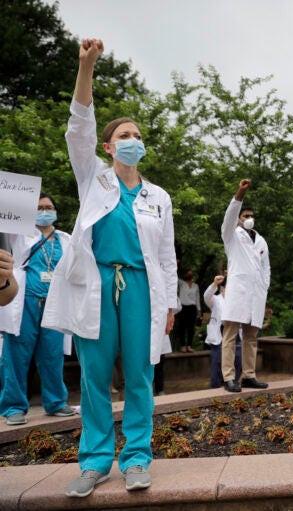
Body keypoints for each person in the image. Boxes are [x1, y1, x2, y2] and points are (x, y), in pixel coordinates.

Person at [41, 39, 177, 497]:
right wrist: (86, 67)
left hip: (141, 287)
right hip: (96, 282)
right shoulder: (93, 178)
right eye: (124, 136)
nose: (132, 141)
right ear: (108, 145)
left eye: (137, 136)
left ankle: (137, 457)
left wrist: (171, 302)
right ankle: (96, 460)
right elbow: (78, 128)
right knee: (95, 373)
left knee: (138, 373)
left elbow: (166, 256)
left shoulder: (159, 197)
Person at [0, 194, 74, 426]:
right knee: (17, 355)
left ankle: (56, 402)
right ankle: (13, 407)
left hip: (54, 304)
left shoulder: (65, 239)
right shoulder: (19, 233)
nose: (44, 210)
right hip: (24, 302)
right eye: (39, 207)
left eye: (49, 207)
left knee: (52, 354)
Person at [220, 179, 270, 392]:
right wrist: (239, 194)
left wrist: (264, 287)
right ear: (239, 219)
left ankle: (249, 375)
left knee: (251, 337)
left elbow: (266, 267)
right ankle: (229, 377)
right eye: (245, 216)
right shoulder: (231, 235)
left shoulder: (261, 240)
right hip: (238, 293)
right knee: (230, 336)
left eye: (251, 216)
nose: (249, 219)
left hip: (256, 295)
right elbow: (229, 217)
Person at [203, 275, 242, 388]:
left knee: (238, 360)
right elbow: (206, 296)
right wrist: (215, 283)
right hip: (219, 337)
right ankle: (215, 388)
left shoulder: (237, 301)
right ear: (222, 288)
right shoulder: (215, 300)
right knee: (217, 364)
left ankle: (233, 384)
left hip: (235, 337)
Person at [175, 268, 201, 352]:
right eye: (188, 273)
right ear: (184, 275)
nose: (190, 274)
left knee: (191, 328)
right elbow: (173, 275)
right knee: (181, 327)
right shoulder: (181, 283)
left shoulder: (195, 286)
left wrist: (199, 310)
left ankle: (189, 346)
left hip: (192, 308)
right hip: (182, 307)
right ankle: (182, 345)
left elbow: (197, 298)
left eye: (191, 272)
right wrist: (176, 263)